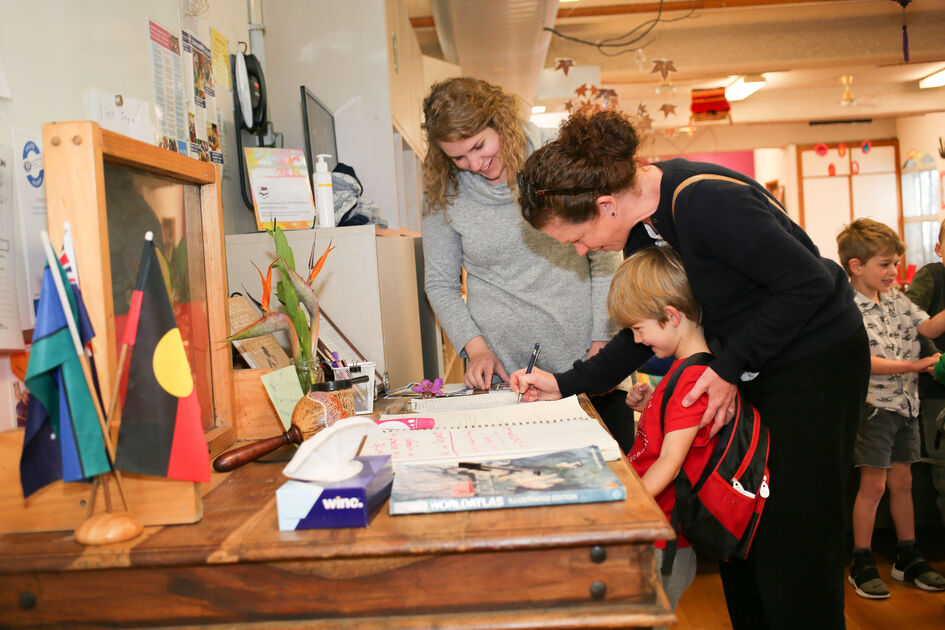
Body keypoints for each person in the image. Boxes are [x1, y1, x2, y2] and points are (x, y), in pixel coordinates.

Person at [509, 109, 869, 629]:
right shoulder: (641, 227)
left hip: (815, 362)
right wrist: (567, 383)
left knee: (795, 532)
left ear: (606, 204)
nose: (585, 250)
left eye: (578, 239)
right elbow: (644, 327)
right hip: (752, 361)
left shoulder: (705, 202)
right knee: (739, 519)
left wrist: (727, 368)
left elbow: (807, 285)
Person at [420, 78, 633, 449]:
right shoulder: (445, 191)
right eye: (458, 157)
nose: (473, 163)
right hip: (510, 377)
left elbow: (605, 253)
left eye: (479, 146)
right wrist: (477, 349)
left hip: (588, 360)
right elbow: (440, 283)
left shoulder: (556, 155)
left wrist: (604, 340)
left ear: (501, 122)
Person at [836, 218, 945, 599]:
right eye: (885, 264)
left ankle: (907, 555)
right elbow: (863, 363)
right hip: (874, 410)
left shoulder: (899, 299)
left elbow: (929, 329)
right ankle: (862, 561)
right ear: (856, 266)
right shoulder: (847, 308)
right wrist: (915, 366)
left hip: (907, 407)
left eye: (896, 263)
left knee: (904, 483)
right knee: (874, 485)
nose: (893, 272)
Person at [610, 246, 715, 613]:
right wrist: (650, 405)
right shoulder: (681, 369)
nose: (637, 341)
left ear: (671, 316)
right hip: (652, 526)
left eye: (638, 329)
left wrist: (627, 506)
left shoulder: (692, 379)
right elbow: (672, 429)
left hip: (660, 538)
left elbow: (670, 462)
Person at [904, 218, 945, 527]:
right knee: (942, 471)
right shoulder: (932, 276)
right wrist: (935, 359)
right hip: (935, 390)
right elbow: (910, 323)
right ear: (938, 248)